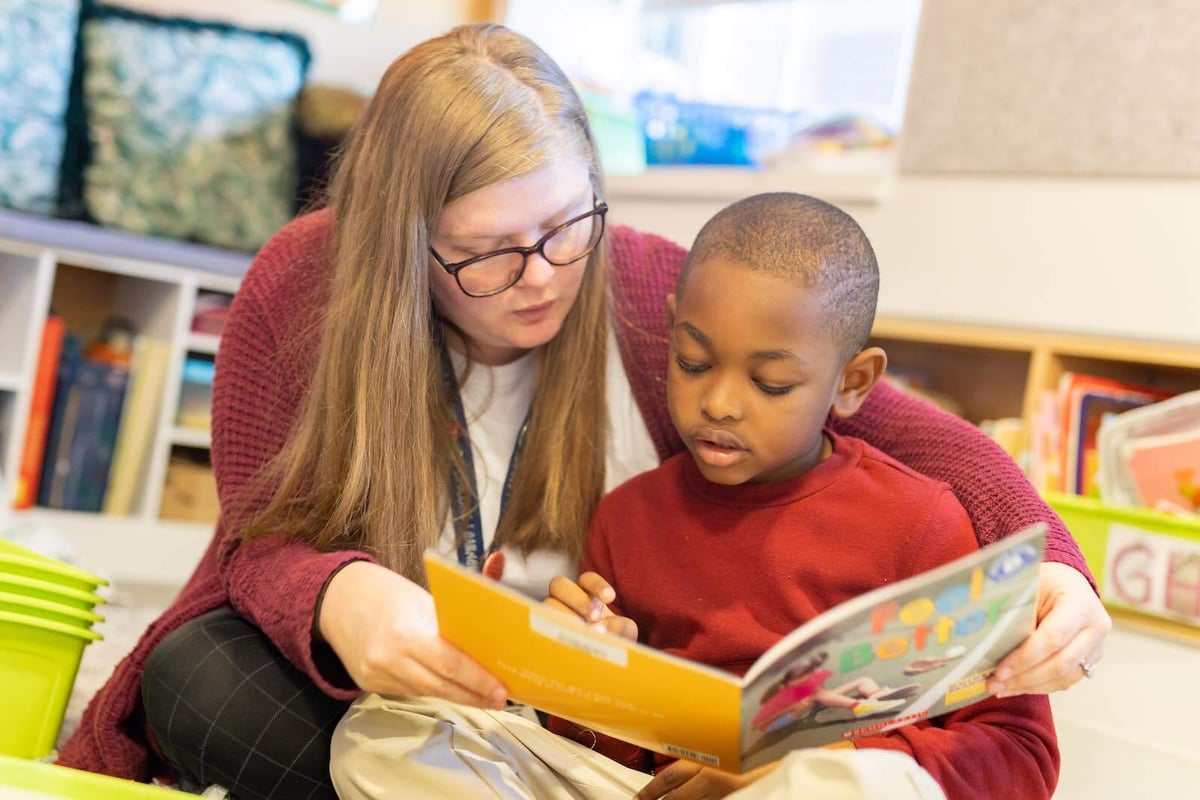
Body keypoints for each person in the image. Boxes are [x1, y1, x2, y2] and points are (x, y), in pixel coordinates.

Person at [56, 23, 1105, 800]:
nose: (544, 275)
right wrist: (346, 599)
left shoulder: (664, 299)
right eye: (490, 252)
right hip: (445, 719)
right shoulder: (304, 285)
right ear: (398, 242)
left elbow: (914, 435)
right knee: (207, 684)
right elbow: (258, 538)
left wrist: (1053, 563)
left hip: (606, 748)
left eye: (569, 226)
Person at [529, 193, 1057, 799]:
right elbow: (607, 756)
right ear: (671, 330)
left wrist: (814, 763)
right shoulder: (628, 516)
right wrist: (584, 679)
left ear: (852, 383)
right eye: (693, 362)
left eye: (770, 383)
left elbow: (1020, 754)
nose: (720, 403)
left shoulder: (920, 523)